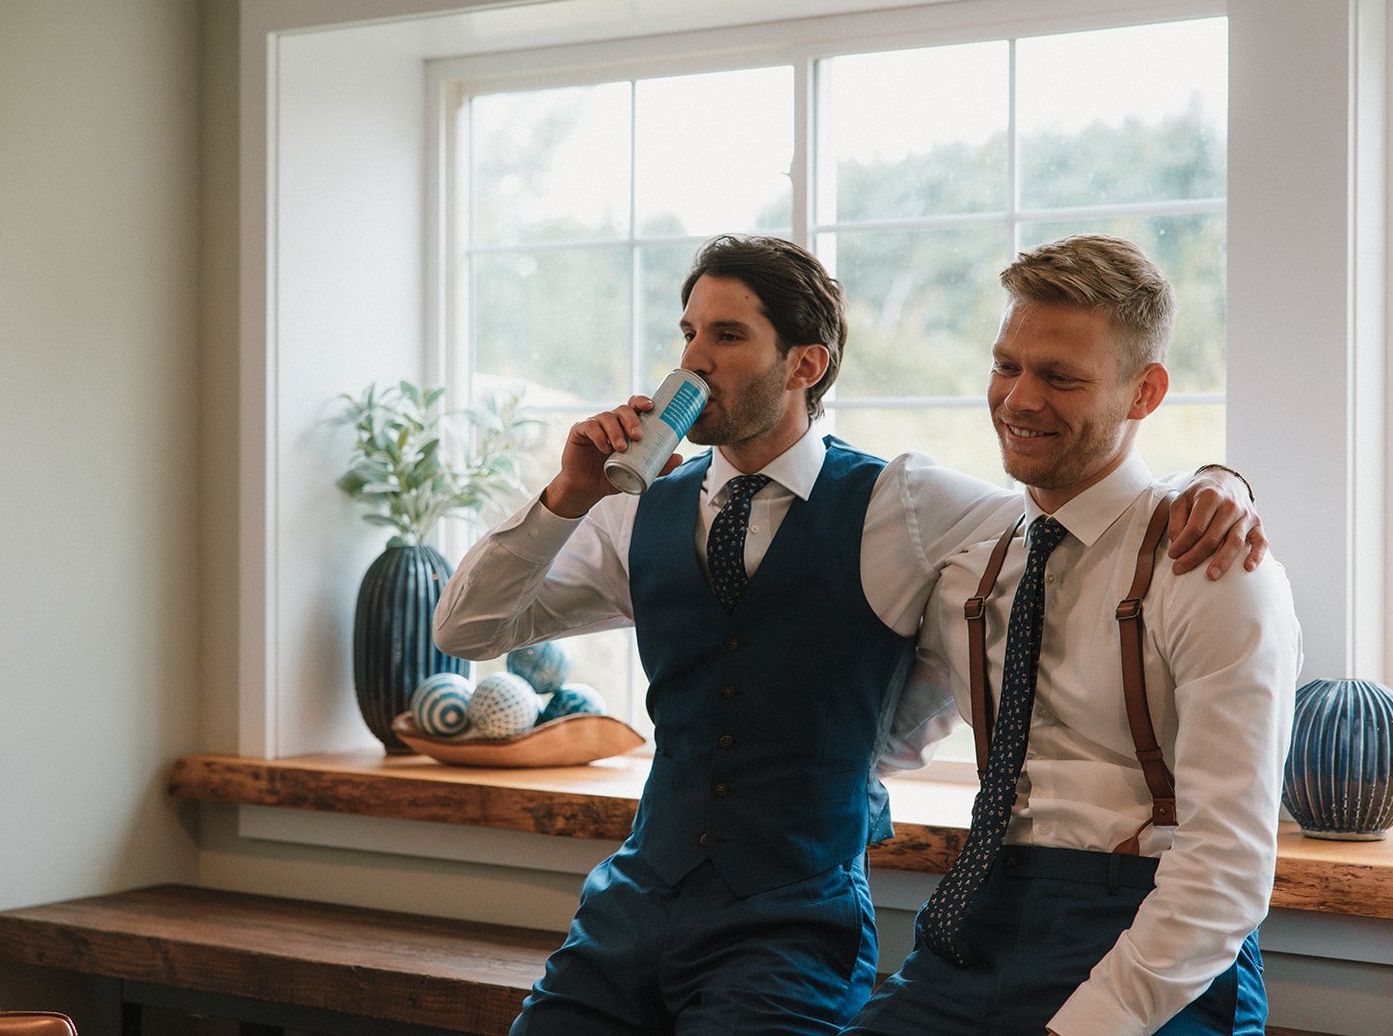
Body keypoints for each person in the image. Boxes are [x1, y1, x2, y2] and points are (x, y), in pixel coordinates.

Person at [432, 234, 1264, 1036]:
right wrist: (567, 494)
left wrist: (1216, 480)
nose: (693, 360)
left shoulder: (902, 503)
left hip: (791, 920)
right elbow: (467, 626)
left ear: (806, 363)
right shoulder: (636, 505)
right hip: (632, 902)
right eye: (688, 333)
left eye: (726, 335)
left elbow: (1077, 509)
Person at [843, 234, 1302, 1036]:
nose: (1019, 400)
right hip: (972, 929)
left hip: (1155, 948)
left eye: (1059, 377)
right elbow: (885, 736)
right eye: (1006, 365)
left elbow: (1225, 869)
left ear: (1144, 391)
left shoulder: (1212, 568)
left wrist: (1090, 1021)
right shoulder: (973, 568)